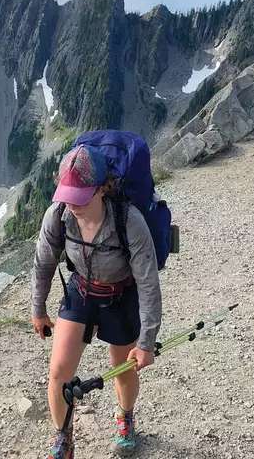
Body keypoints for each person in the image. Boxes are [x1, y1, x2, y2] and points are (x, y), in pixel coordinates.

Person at [31, 144, 162, 458]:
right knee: (59, 372)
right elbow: (43, 262)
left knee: (123, 368)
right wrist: (38, 308)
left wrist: (146, 341)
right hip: (81, 290)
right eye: (67, 195)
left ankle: (125, 417)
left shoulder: (129, 221)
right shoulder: (59, 214)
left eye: (80, 196)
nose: (72, 204)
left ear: (102, 188)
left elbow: (148, 284)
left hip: (121, 295)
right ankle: (64, 437)